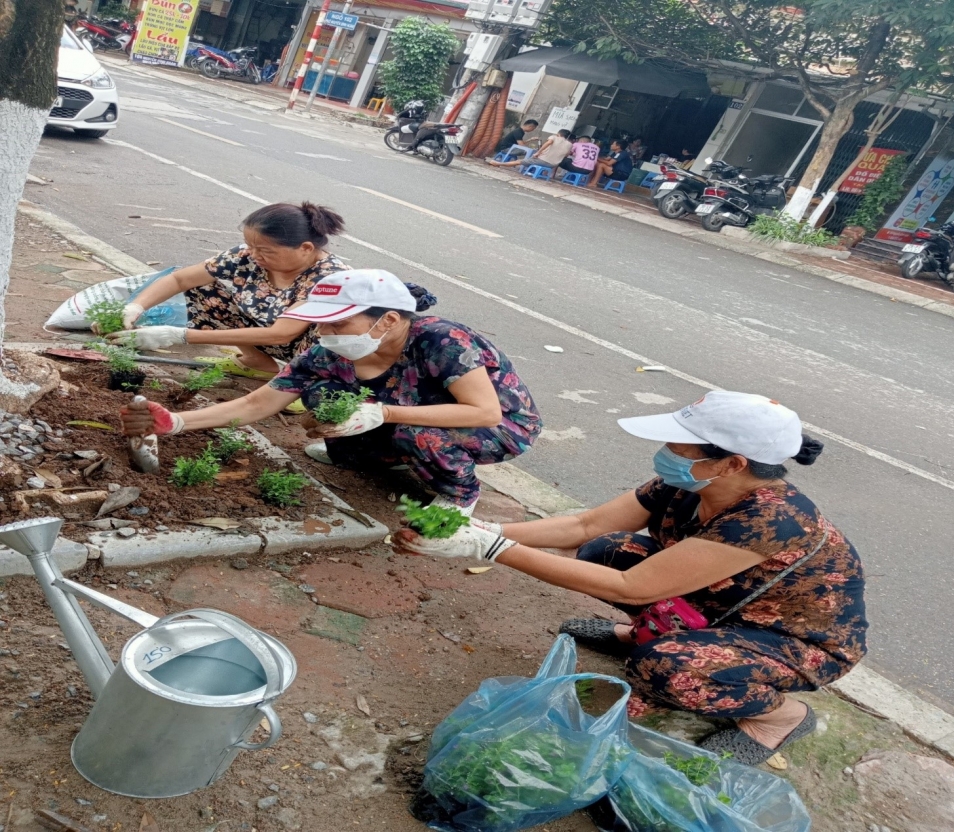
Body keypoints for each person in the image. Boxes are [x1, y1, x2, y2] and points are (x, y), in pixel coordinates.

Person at [394, 391, 867, 764]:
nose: (665, 453)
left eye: (679, 446)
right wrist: (482, 528)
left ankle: (781, 717)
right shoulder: (685, 482)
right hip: (722, 602)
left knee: (664, 669)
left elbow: (633, 588)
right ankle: (643, 632)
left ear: (733, 463)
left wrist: (492, 549)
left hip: (791, 639)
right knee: (606, 551)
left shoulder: (771, 519)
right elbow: (586, 526)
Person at [120, 269, 542, 514]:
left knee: (413, 433)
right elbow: (258, 402)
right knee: (324, 399)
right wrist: (175, 423)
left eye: (339, 324)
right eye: (321, 323)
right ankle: (388, 455)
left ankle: (458, 493)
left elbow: (484, 412)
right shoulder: (328, 353)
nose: (325, 333)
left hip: (497, 425)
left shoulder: (442, 341)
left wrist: (386, 414)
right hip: (401, 410)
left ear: (390, 320)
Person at [105, 202, 347, 380]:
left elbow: (281, 334)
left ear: (305, 248)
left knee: (333, 327)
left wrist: (177, 335)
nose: (253, 255)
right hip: (264, 333)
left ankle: (301, 381)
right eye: (251, 246)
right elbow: (180, 279)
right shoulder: (248, 256)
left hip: (305, 348)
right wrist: (135, 306)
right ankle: (257, 361)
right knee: (202, 285)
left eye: (265, 250)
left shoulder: (329, 277)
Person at [489, 129, 573, 170]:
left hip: (543, 161)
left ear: (558, 133)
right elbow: (566, 154)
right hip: (552, 165)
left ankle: (499, 163)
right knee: (531, 160)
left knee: (520, 161)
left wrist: (538, 152)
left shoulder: (554, 137)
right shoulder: (570, 144)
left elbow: (548, 143)